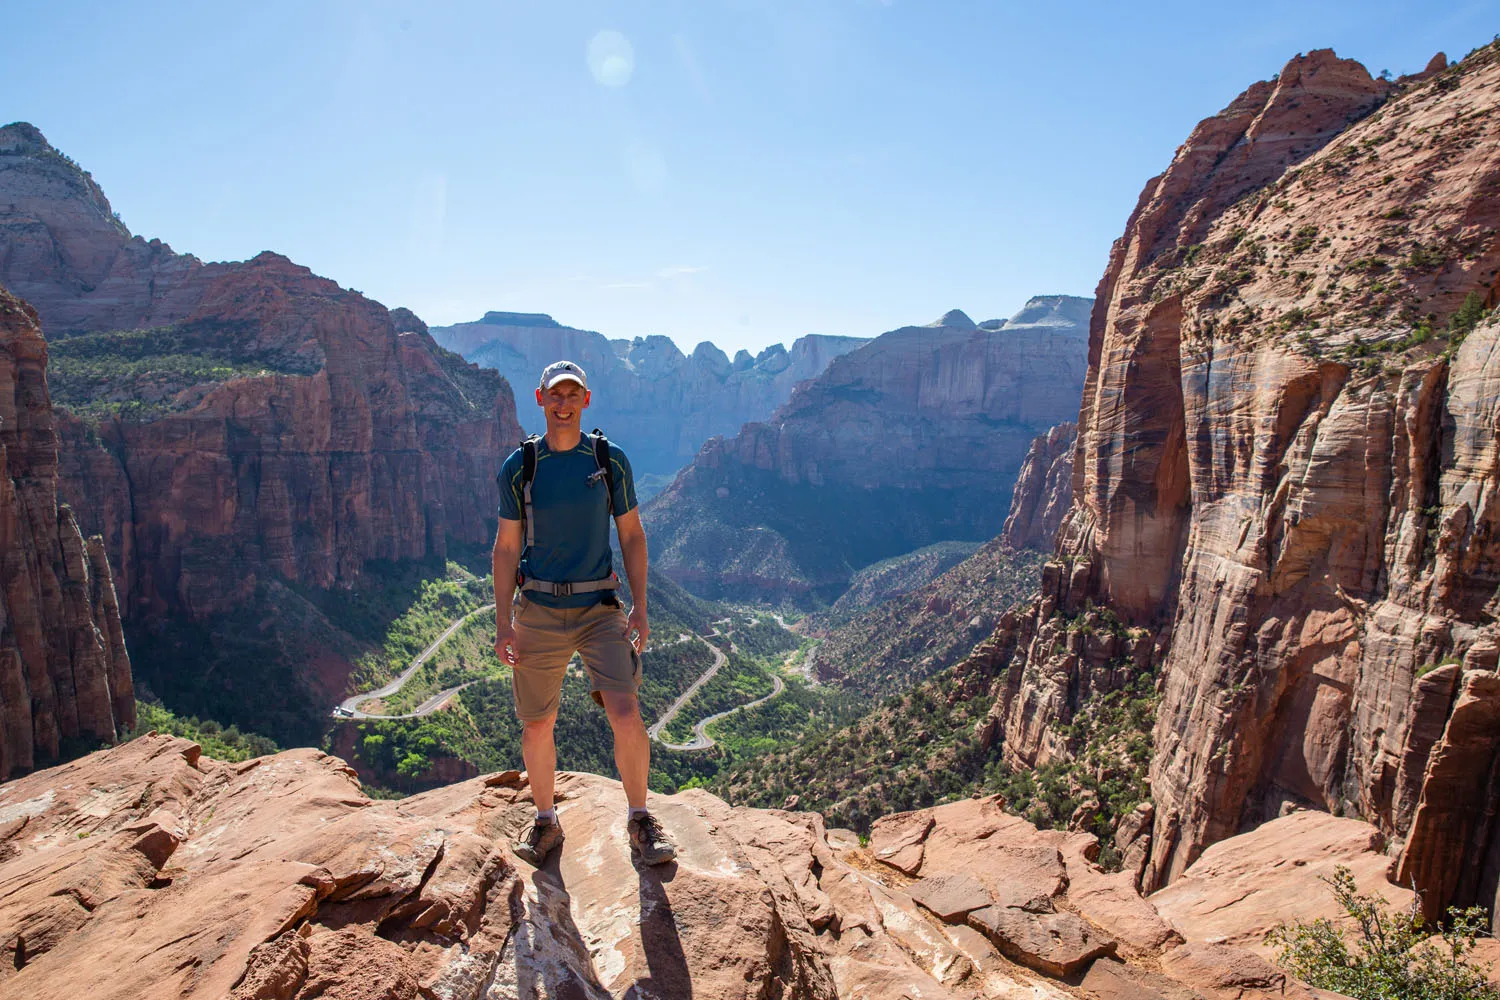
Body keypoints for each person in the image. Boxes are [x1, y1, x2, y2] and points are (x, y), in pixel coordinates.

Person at [492, 360, 678, 867]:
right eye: (556, 395)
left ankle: (640, 817)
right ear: (540, 398)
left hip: (599, 608)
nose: (564, 403)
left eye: (572, 394)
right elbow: (506, 549)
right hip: (538, 610)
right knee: (537, 723)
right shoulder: (521, 466)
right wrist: (503, 621)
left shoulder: (608, 459)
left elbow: (632, 534)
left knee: (626, 713)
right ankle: (546, 822)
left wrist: (640, 607)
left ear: (586, 400)